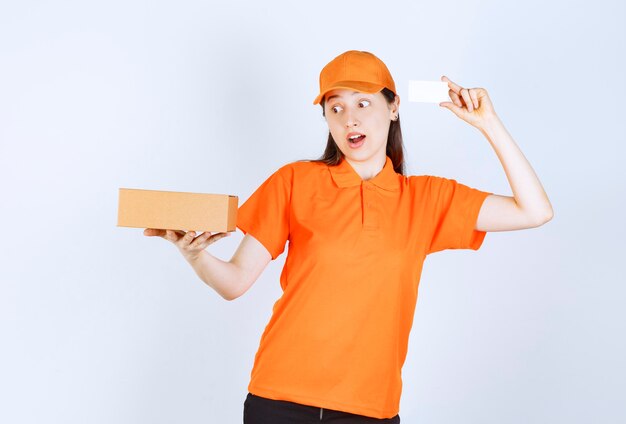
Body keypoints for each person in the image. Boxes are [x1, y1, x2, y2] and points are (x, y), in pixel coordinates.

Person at [144, 50, 553, 423]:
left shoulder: (427, 198)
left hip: (369, 409)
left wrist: (489, 124)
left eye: (363, 103)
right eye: (335, 108)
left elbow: (535, 211)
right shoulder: (295, 181)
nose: (349, 119)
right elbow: (234, 283)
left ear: (393, 108)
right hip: (278, 399)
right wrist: (194, 255)